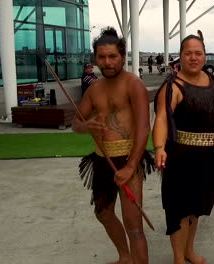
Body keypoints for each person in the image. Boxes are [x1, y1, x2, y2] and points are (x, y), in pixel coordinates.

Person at [73, 27, 152, 264]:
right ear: (95, 58)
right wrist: (86, 126)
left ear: (122, 56)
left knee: (133, 224)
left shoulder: (133, 84)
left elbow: (144, 127)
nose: (107, 63)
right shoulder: (94, 89)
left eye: (112, 57)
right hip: (101, 158)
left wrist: (131, 166)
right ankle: (125, 257)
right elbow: (76, 123)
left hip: (129, 158)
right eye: (101, 57)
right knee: (103, 213)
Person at [153, 32, 214, 264]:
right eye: (188, 53)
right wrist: (158, 147)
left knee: (196, 208)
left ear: (205, 56)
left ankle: (188, 251)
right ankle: (178, 258)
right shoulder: (173, 86)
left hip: (211, 157)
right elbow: (162, 119)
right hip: (181, 158)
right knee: (179, 210)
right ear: (181, 57)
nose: (194, 58)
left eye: (198, 53)